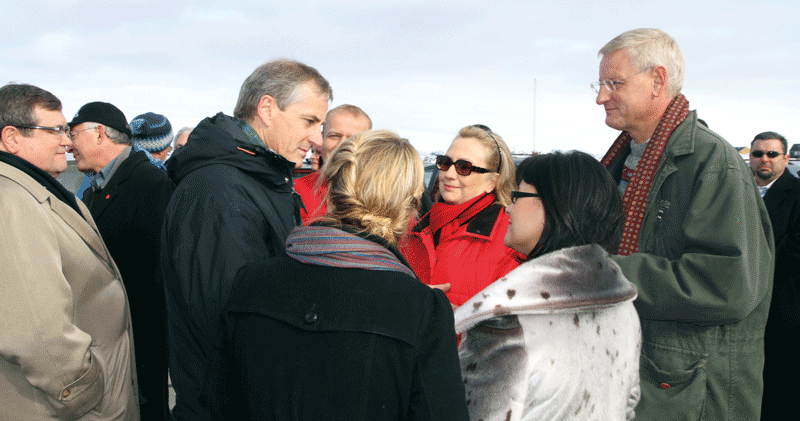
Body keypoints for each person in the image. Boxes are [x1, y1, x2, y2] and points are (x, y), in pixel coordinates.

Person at [203, 130, 469, 420]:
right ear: (409, 206)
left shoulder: (251, 281)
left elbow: (218, 406)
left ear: (329, 190)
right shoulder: (421, 310)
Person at [593, 28, 774, 419]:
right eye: (600, 83)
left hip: (691, 394)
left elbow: (727, 285)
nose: (601, 96)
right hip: (637, 379)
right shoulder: (622, 163)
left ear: (658, 80)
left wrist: (602, 271)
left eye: (614, 83)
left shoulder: (714, 165)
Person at [161, 59, 331, 420]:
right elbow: (229, 320)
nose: (317, 139)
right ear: (267, 108)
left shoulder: (261, 178)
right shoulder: (221, 191)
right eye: (309, 121)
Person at [454, 151, 641, 420]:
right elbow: (628, 403)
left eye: (517, 196)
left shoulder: (507, 323)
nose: (508, 207)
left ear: (553, 207)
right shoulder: (622, 308)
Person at [0, 83, 140, 419]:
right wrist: (83, 391)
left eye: (66, 130)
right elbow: (36, 332)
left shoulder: (41, 190)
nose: (67, 141)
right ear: (12, 138)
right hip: (68, 406)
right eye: (55, 130)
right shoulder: (10, 202)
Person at [68, 101, 175, 420]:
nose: (68, 144)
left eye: (73, 134)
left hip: (138, 341)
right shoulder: (94, 189)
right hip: (106, 338)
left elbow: (157, 272)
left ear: (99, 133)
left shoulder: (150, 185)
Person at [401, 125, 524, 308]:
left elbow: (513, 322)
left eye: (463, 167)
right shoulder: (414, 231)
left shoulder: (511, 238)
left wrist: (455, 316)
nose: (449, 174)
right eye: (445, 163)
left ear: (492, 182)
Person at [749, 131, 800, 420]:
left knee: (782, 385)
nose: (764, 160)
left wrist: (749, 266)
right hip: (745, 304)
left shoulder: (797, 193)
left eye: (772, 154)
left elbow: (795, 247)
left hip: (783, 305)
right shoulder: (740, 192)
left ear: (786, 158)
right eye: (758, 154)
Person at [294, 104, 372, 223]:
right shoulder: (294, 193)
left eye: (353, 138)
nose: (342, 145)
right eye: (334, 136)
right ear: (322, 139)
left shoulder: (385, 195)